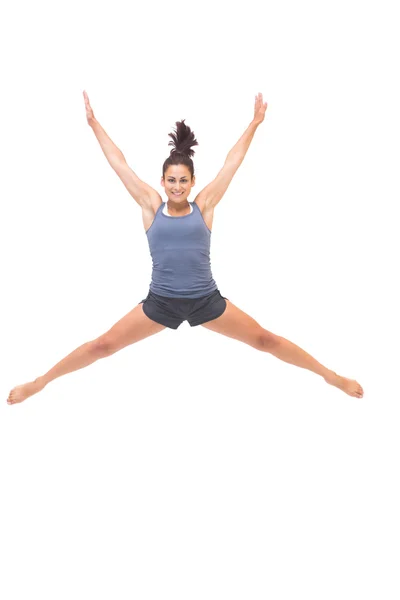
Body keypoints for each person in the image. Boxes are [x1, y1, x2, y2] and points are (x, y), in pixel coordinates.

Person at [7, 91, 363, 405]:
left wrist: (254, 123)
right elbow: (119, 163)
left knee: (265, 340)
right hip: (160, 301)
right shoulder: (150, 204)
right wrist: (93, 123)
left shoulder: (205, 205)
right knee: (103, 346)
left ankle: (331, 376)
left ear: (192, 182)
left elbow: (231, 163)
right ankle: (40, 383)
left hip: (205, 299)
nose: (177, 186)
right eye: (171, 180)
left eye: (183, 180)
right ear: (163, 181)